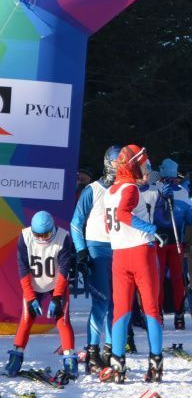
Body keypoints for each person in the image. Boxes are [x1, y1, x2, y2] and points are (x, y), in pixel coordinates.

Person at [101, 145, 164, 383]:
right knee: (151, 309)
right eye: (144, 165)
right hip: (140, 253)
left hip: (119, 254)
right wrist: (152, 229)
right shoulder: (131, 189)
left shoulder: (110, 191)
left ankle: (118, 364)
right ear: (132, 166)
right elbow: (123, 214)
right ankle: (156, 364)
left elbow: (110, 225)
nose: (147, 169)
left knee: (121, 312)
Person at [5, 211, 76, 380]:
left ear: (53, 229)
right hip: (34, 284)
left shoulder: (63, 237)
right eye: (39, 235)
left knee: (62, 320)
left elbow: (64, 271)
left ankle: (70, 361)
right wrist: (30, 297)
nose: (43, 239)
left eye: (46, 234)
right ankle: (15, 358)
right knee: (26, 319)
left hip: (55, 284)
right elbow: (23, 270)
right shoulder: (25, 237)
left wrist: (57, 297)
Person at [70, 145, 119, 373]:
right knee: (101, 302)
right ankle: (92, 351)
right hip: (97, 251)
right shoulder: (94, 189)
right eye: (120, 164)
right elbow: (76, 222)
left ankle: (110, 349)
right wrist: (81, 251)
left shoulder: (125, 189)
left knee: (116, 303)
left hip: (120, 250)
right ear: (110, 163)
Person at [151, 158, 192, 330]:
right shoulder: (183, 191)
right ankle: (179, 315)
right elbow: (190, 218)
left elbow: (150, 215)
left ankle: (159, 314)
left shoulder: (155, 188)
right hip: (175, 240)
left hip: (159, 239)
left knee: (159, 279)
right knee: (177, 279)